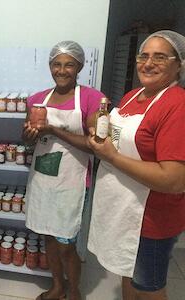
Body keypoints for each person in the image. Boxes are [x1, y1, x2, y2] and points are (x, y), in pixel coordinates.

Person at [87, 30, 185, 300]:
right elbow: (120, 132)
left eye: (160, 57)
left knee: (148, 289)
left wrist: (112, 157)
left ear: (179, 64)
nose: (148, 63)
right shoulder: (133, 95)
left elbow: (175, 180)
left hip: (150, 219)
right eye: (144, 55)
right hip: (123, 210)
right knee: (127, 273)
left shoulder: (177, 105)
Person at [23, 41, 105, 300]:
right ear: (50, 66)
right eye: (57, 64)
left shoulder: (93, 99)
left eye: (69, 64)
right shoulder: (37, 100)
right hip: (43, 178)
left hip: (72, 181)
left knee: (66, 244)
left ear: (79, 66)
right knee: (48, 236)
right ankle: (57, 286)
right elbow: (29, 141)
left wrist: (54, 129)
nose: (62, 70)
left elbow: (96, 146)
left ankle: (74, 291)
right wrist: (28, 136)